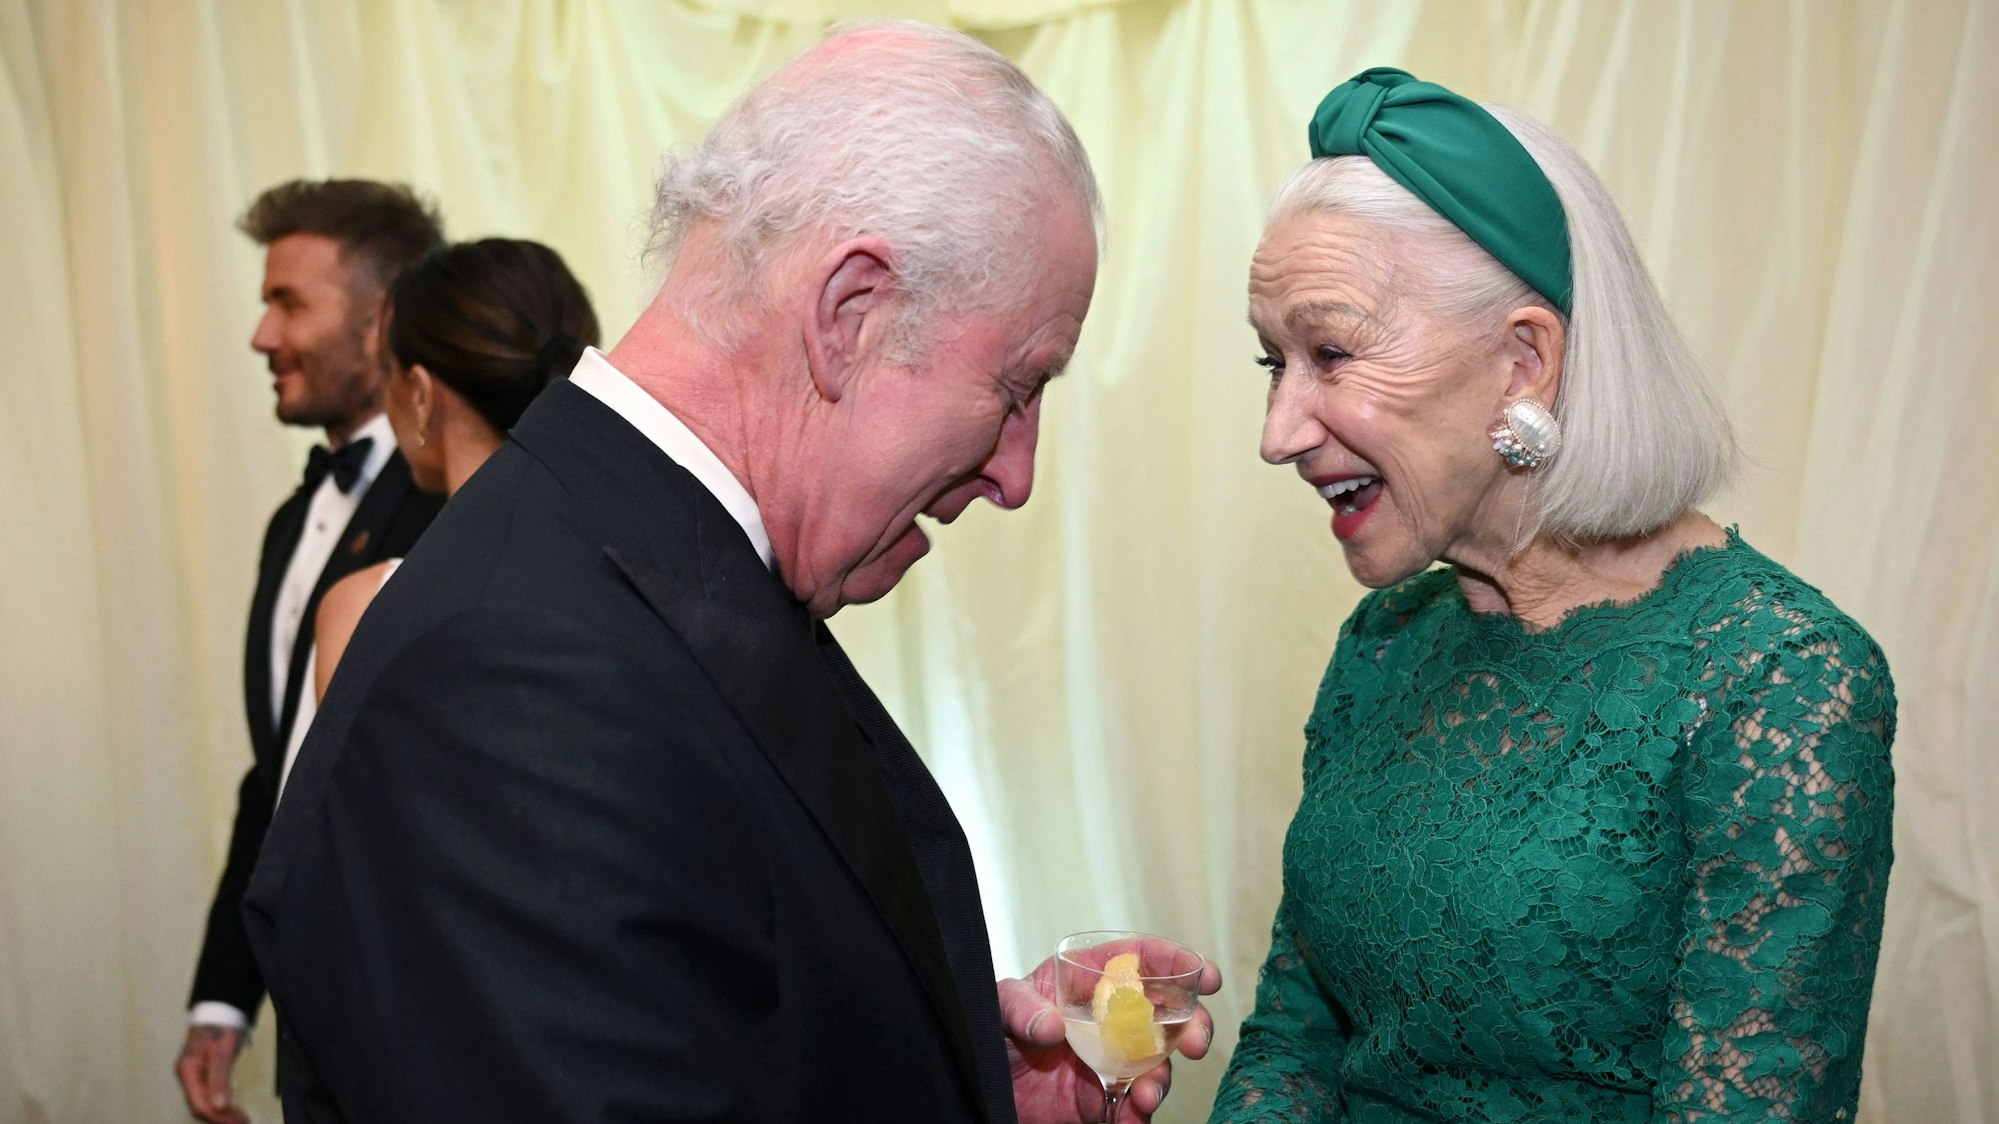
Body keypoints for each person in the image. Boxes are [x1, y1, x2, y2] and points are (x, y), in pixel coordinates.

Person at [245, 22, 1215, 1124]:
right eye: (1017, 384)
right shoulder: (510, 679)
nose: (1015, 473)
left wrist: (968, 1077)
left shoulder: (665, 565)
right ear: (851, 314)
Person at [1209, 68, 1896, 1123]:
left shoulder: (1776, 675)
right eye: (1273, 362)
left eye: (1331, 352)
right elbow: (1300, 1031)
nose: (1278, 431)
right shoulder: (1384, 643)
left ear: (1525, 357)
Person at [177, 179, 444, 1124]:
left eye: (288, 302)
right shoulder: (294, 524)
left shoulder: (458, 507)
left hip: (432, 1020)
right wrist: (223, 1001)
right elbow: (281, 778)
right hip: (316, 1023)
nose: (261, 336)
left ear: (382, 323)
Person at [283, 237, 601, 798]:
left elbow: (338, 852)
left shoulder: (368, 608)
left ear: (423, 397)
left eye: (389, 375)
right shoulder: (659, 574)